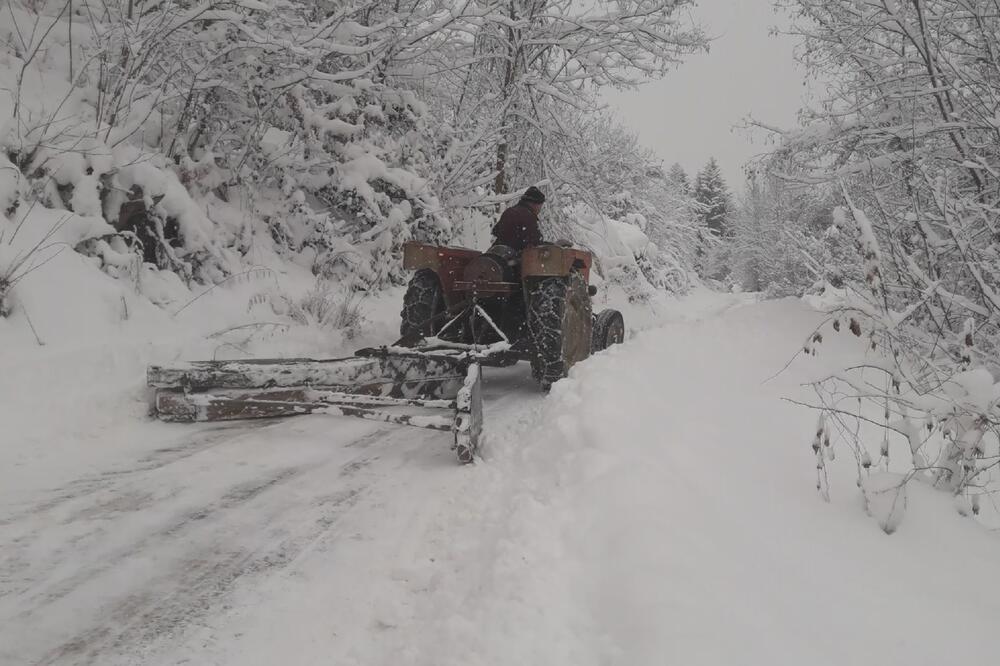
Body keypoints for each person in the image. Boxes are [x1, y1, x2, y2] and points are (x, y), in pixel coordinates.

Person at [491, 186, 546, 251]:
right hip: (511, 257)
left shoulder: (510, 210)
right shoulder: (528, 216)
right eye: (540, 206)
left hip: (496, 251)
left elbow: (495, 231)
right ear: (534, 204)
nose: (539, 210)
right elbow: (535, 242)